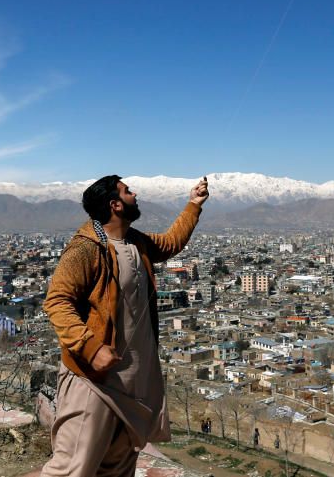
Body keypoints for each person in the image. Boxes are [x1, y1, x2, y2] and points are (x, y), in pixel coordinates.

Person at [41, 174, 209, 477]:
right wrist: (90, 348)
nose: (135, 194)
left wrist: (193, 205)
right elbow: (57, 301)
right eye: (128, 191)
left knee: (117, 464)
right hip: (94, 379)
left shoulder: (135, 241)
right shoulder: (85, 249)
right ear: (115, 204)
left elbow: (170, 243)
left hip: (133, 380)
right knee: (72, 466)